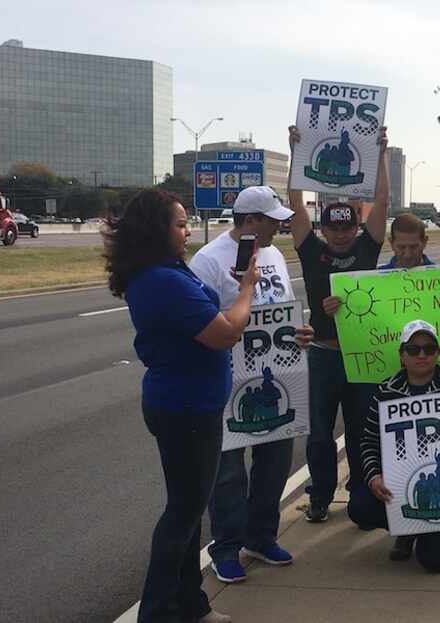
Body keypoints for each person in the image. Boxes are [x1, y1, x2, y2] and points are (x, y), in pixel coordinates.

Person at [104, 188, 260, 623]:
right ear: (158, 230)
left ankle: (191, 604)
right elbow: (225, 333)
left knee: (189, 512)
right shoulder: (164, 281)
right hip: (186, 409)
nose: (187, 229)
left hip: (189, 404)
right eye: (179, 223)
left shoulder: (168, 271)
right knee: (183, 514)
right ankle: (155, 613)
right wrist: (246, 288)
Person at [188, 185, 314, 584]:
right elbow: (201, 325)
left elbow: (282, 307)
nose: (279, 227)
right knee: (227, 473)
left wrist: (300, 332)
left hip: (279, 370)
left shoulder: (273, 253)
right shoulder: (207, 262)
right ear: (250, 221)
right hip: (227, 376)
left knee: (274, 463)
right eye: (273, 220)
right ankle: (225, 547)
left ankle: (261, 536)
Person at [288, 124, 390, 523]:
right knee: (318, 435)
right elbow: (295, 204)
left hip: (363, 356)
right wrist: (295, 151)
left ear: (357, 226)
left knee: (365, 428)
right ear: (323, 228)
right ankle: (320, 495)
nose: (343, 233)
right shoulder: (311, 251)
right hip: (324, 356)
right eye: (335, 226)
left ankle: (363, 491)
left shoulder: (368, 246)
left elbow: (382, 199)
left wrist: (380, 154)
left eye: (349, 226)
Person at [349, 320, 440, 572]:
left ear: (438, 353)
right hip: (401, 486)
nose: (422, 355)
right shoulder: (385, 392)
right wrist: (374, 477)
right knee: (360, 506)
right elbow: (369, 440)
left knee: (435, 564)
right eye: (413, 349)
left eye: (429, 348)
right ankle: (404, 530)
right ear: (401, 355)